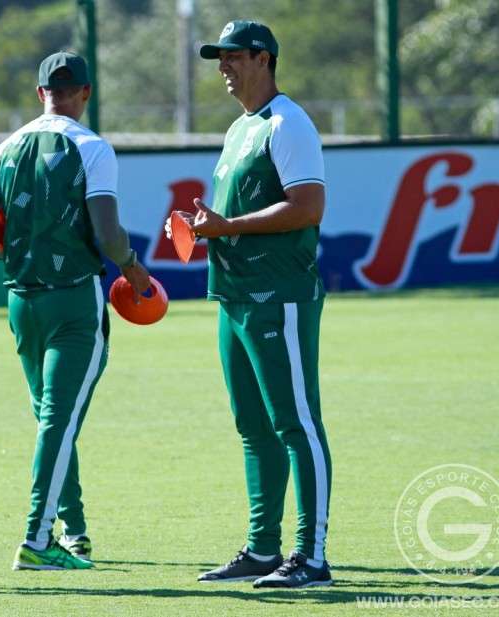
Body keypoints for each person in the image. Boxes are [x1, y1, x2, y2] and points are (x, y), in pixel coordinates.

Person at [0, 51, 151, 571]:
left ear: (39, 93)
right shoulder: (92, 147)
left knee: (51, 422)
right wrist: (133, 268)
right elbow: (109, 235)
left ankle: (75, 532)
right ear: (86, 92)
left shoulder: (6, 147)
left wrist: (12, 252)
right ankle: (38, 542)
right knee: (59, 424)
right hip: (72, 303)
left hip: (21, 300)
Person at [172, 20, 333, 588]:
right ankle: (263, 549)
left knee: (296, 424)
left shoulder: (289, 123)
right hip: (235, 297)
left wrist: (228, 225)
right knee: (253, 427)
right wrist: (205, 228)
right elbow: (235, 216)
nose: (223, 66)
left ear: (264, 59)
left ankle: (311, 556)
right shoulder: (242, 127)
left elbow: (309, 205)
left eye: (234, 56)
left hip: (279, 295)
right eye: (219, 57)